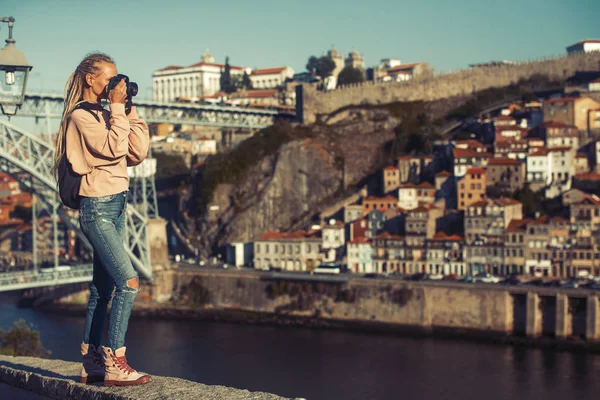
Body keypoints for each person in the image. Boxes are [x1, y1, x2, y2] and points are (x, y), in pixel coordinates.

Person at [53, 53, 151, 387]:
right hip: (97, 208)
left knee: (102, 287)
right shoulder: (81, 116)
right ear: (90, 79)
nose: (114, 86)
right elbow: (112, 149)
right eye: (108, 79)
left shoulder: (107, 113)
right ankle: (115, 362)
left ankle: (92, 360)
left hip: (117, 205)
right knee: (129, 282)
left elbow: (136, 152)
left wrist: (128, 108)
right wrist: (117, 110)